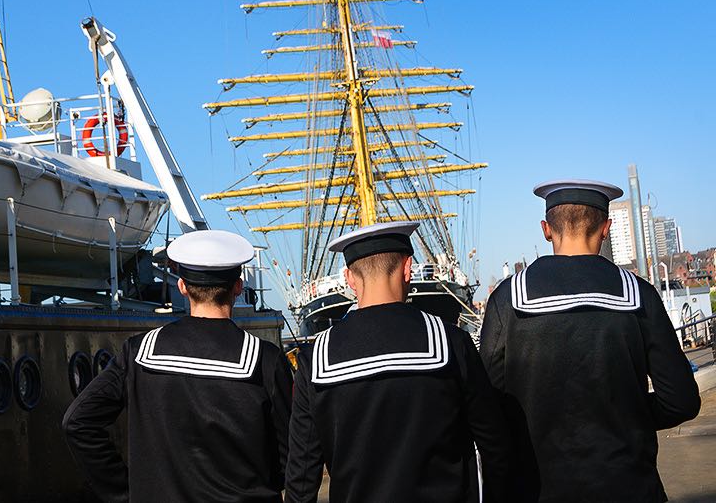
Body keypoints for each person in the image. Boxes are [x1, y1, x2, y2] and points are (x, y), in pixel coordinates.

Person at [480, 180, 701, 502]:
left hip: (535, 487)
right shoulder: (638, 294)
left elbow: (489, 406)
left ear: (545, 229)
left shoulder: (507, 299)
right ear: (606, 228)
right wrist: (625, 417)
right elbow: (680, 401)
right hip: (628, 486)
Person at [285, 221, 510, 503]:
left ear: (350, 279)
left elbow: (302, 476)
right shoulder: (450, 342)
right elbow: (495, 445)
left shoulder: (315, 359)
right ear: (407, 268)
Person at [62, 230, 293, 503]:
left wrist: (127, 493)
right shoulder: (264, 359)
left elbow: (77, 423)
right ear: (238, 287)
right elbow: (290, 453)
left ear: (183, 286)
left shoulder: (138, 353)